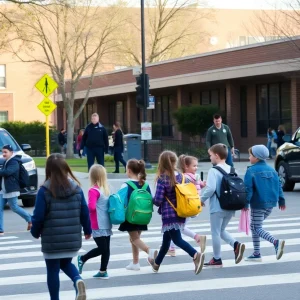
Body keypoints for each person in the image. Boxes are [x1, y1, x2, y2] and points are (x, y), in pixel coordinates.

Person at [30, 153, 92, 300]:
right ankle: (77, 279)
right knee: (65, 262)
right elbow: (84, 211)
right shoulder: (76, 189)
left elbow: (38, 216)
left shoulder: (44, 191)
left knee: (52, 269)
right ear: (66, 168)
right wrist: (88, 230)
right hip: (72, 238)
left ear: (49, 170)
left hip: (52, 239)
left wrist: (35, 232)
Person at [148, 151, 205, 275]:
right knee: (166, 242)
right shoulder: (181, 176)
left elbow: (158, 200)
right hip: (180, 212)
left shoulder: (162, 178)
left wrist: (149, 198)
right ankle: (156, 264)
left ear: (161, 163)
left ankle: (195, 255)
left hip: (169, 215)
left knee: (177, 239)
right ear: (174, 162)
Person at [200, 144, 245, 268]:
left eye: (210, 155)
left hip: (217, 206)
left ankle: (217, 258)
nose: (210, 158)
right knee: (221, 230)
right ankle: (236, 244)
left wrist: (201, 199)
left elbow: (211, 188)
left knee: (215, 232)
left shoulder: (213, 170)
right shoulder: (231, 169)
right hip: (231, 206)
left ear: (216, 155)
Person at [244, 145, 286, 262]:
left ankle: (275, 242)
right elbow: (279, 186)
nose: (249, 157)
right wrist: (281, 200)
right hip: (271, 204)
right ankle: (256, 253)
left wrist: (245, 204)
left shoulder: (251, 170)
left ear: (256, 157)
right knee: (255, 226)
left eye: (250, 155)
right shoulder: (272, 170)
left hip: (258, 204)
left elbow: (248, 189)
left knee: (256, 227)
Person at [119, 159, 158, 271]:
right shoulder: (146, 185)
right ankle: (135, 263)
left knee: (134, 238)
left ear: (129, 171)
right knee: (135, 239)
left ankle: (149, 251)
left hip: (130, 217)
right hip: (143, 216)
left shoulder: (126, 185)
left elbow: (120, 201)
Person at [167, 155, 207, 257]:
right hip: (195, 205)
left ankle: (197, 237)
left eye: (196, 166)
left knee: (180, 227)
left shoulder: (185, 177)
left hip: (187, 206)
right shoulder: (195, 177)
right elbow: (198, 185)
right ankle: (172, 248)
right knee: (179, 227)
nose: (196, 168)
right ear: (186, 166)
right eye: (194, 166)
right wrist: (202, 184)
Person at [77, 164, 112, 279]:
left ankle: (84, 259)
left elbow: (91, 207)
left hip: (98, 223)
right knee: (105, 249)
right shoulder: (105, 189)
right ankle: (102, 270)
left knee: (103, 248)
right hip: (106, 223)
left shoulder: (93, 190)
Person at [0, 144, 32, 236]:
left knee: (14, 207)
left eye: (5, 152)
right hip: (4, 190)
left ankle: (31, 219)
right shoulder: (7, 161)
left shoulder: (14, 162)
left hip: (11, 189)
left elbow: (7, 172)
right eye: (3, 152)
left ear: (11, 152)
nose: (4, 154)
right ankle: (0, 229)